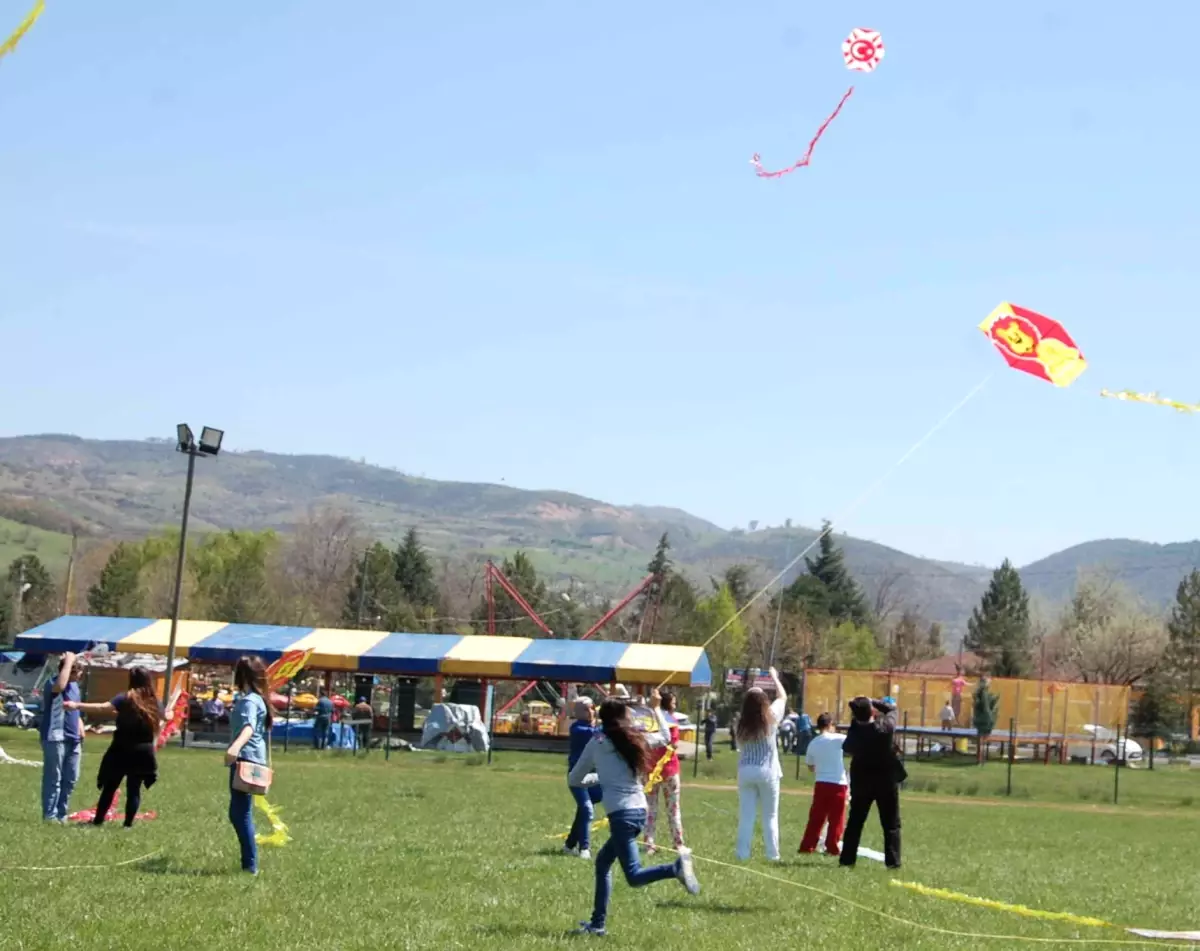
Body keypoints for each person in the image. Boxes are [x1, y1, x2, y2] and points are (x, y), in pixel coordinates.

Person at [568, 690, 699, 937]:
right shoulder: (633, 737)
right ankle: (597, 924)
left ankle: (675, 869)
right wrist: (656, 708)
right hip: (640, 811)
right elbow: (664, 737)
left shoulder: (597, 742)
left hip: (622, 816)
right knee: (603, 862)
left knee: (634, 876)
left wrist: (598, 779)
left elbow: (575, 778)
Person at [65, 666, 163, 828]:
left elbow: (103, 707)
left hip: (121, 748)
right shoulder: (154, 701)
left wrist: (76, 705)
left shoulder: (125, 698)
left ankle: (98, 821)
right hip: (143, 751)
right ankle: (128, 824)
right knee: (134, 789)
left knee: (110, 787)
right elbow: (162, 716)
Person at [839, 696, 903, 870]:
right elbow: (892, 710)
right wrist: (873, 701)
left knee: (855, 821)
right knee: (891, 824)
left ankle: (847, 860)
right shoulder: (886, 728)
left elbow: (847, 747)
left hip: (862, 782)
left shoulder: (855, 732)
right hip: (886, 781)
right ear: (873, 712)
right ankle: (893, 861)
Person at [225, 656, 272, 875]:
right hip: (255, 758)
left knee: (239, 813)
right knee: (241, 812)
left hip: (245, 758)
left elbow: (249, 728)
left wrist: (235, 748)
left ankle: (250, 865)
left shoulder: (249, 701)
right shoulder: (258, 699)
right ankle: (249, 864)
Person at [735, 666, 787, 861]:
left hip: (746, 771)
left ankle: (742, 854)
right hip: (767, 772)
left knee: (746, 817)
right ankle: (773, 855)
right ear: (764, 702)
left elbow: (740, 745)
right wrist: (774, 677)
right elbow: (782, 697)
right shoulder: (771, 717)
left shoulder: (740, 724)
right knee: (770, 816)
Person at [40, 652, 82, 823]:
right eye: (78, 671)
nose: (81, 675)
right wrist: (69, 661)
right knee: (54, 778)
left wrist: (79, 725)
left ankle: (61, 814)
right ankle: (50, 816)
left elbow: (74, 708)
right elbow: (60, 686)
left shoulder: (75, 687)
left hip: (74, 739)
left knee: (71, 778)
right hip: (55, 737)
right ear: (69, 670)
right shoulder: (53, 682)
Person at [798, 713, 847, 856]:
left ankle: (807, 846)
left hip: (821, 783)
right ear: (830, 724)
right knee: (836, 818)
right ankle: (832, 846)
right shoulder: (838, 738)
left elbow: (811, 766)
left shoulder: (813, 742)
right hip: (838, 783)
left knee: (816, 817)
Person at [644, 689, 685, 854]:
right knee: (673, 809)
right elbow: (673, 743)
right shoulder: (672, 722)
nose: (675, 706)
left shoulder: (648, 722)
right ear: (668, 705)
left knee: (650, 808)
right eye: (674, 703)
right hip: (668, 770)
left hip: (650, 771)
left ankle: (649, 844)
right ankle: (678, 844)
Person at [564, 697, 601, 859]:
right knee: (587, 809)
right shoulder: (577, 728)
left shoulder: (596, 728)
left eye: (592, 707)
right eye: (586, 708)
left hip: (593, 776)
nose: (591, 711)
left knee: (584, 811)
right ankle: (584, 848)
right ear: (577, 712)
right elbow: (597, 735)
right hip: (577, 776)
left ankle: (569, 844)